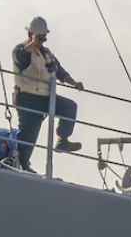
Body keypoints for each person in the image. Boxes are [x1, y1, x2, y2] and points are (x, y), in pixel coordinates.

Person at [13, 16, 83, 169]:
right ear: (30, 34)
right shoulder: (21, 50)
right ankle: (21, 164)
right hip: (28, 99)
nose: (42, 41)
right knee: (29, 136)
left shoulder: (46, 54)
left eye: (43, 38)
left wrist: (74, 82)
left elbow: (59, 71)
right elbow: (21, 58)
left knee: (69, 107)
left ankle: (62, 140)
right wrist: (33, 43)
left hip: (46, 98)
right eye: (39, 37)